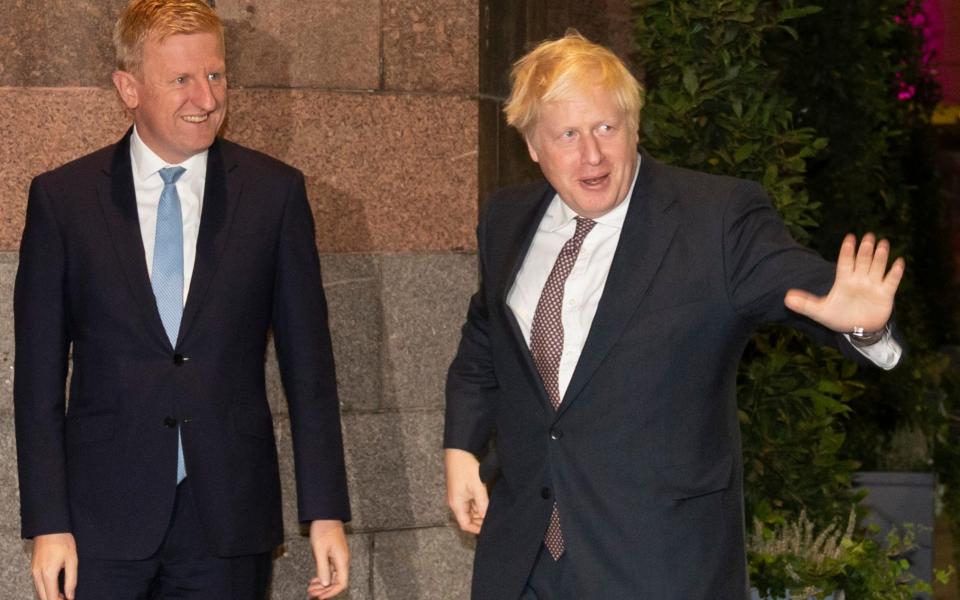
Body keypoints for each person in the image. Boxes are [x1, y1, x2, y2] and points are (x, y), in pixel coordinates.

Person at [444, 31, 904, 599]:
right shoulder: (505, 221)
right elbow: (486, 341)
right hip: (524, 565)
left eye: (607, 128)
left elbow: (799, 286)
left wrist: (862, 322)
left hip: (659, 565)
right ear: (533, 145)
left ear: (635, 126)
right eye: (568, 134)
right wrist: (461, 447)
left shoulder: (713, 218)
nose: (592, 154)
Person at [14, 1, 350, 598]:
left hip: (228, 519)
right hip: (99, 523)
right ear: (128, 88)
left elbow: (311, 371)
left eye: (215, 75)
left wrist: (324, 511)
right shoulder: (63, 201)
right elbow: (37, 382)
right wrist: (48, 523)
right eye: (181, 80)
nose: (207, 97)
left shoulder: (274, 195)